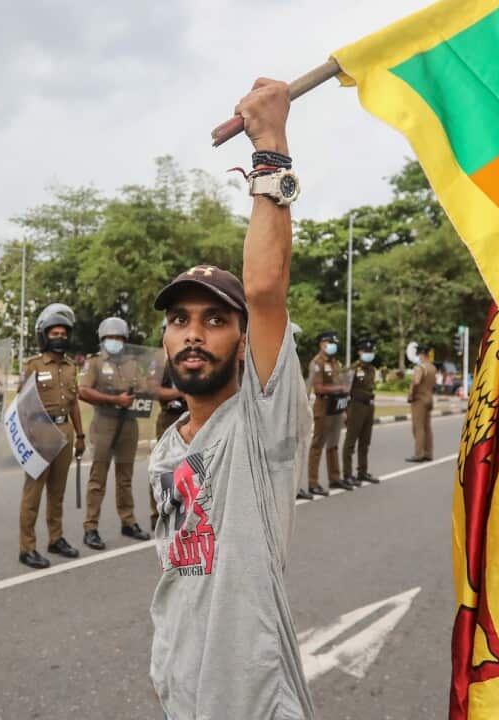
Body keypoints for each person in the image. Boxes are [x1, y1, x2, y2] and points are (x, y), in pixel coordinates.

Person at [147, 75, 314, 719]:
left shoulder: (261, 427)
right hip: (184, 698)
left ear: (245, 341)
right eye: (181, 320)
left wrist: (270, 143)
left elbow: (266, 288)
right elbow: (177, 577)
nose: (194, 334)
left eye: (215, 320)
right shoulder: (165, 452)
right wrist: (167, 668)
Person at [17, 303, 86, 569]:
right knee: (32, 495)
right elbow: (22, 406)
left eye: (63, 333)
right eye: (54, 333)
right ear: (45, 336)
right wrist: (26, 437)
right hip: (39, 432)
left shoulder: (70, 367)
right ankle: (27, 547)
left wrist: (79, 435)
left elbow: (74, 403)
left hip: (65, 431)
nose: (60, 338)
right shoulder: (33, 365)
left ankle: (55, 539)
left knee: (57, 493)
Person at [78, 317, 152, 550]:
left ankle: (128, 521)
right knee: (98, 478)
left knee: (125, 477)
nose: (115, 342)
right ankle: (90, 528)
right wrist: (114, 399)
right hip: (104, 423)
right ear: (103, 340)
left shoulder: (132, 363)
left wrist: (144, 389)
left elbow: (143, 388)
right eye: (111, 338)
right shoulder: (96, 362)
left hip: (129, 424)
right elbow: (83, 391)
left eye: (119, 338)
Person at [303, 331, 352, 499]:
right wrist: (338, 389)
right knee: (317, 445)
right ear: (321, 344)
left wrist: (345, 408)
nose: (333, 345)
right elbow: (319, 388)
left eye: (334, 342)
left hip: (337, 407)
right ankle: (313, 482)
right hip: (323, 407)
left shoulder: (335, 363)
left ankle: (335, 478)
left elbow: (342, 384)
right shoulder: (317, 363)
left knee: (334, 443)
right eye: (330, 342)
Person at [151, 363, 185, 529]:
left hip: (192, 415)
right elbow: (155, 390)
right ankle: (157, 513)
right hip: (169, 418)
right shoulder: (160, 364)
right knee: (164, 469)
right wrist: (184, 391)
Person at [342, 338, 380, 486]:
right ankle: (347, 474)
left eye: (370, 352)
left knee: (365, 442)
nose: (368, 354)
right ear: (359, 352)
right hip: (355, 407)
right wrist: (344, 411)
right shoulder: (353, 369)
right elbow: (345, 391)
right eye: (366, 351)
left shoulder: (371, 369)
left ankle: (362, 472)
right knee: (350, 442)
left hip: (369, 407)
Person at [406, 343, 437, 462]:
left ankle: (419, 454)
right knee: (427, 427)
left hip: (419, 400)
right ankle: (428, 453)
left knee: (418, 427)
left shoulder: (420, 368)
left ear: (421, 354)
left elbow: (416, 381)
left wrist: (411, 394)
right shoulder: (432, 368)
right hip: (429, 399)